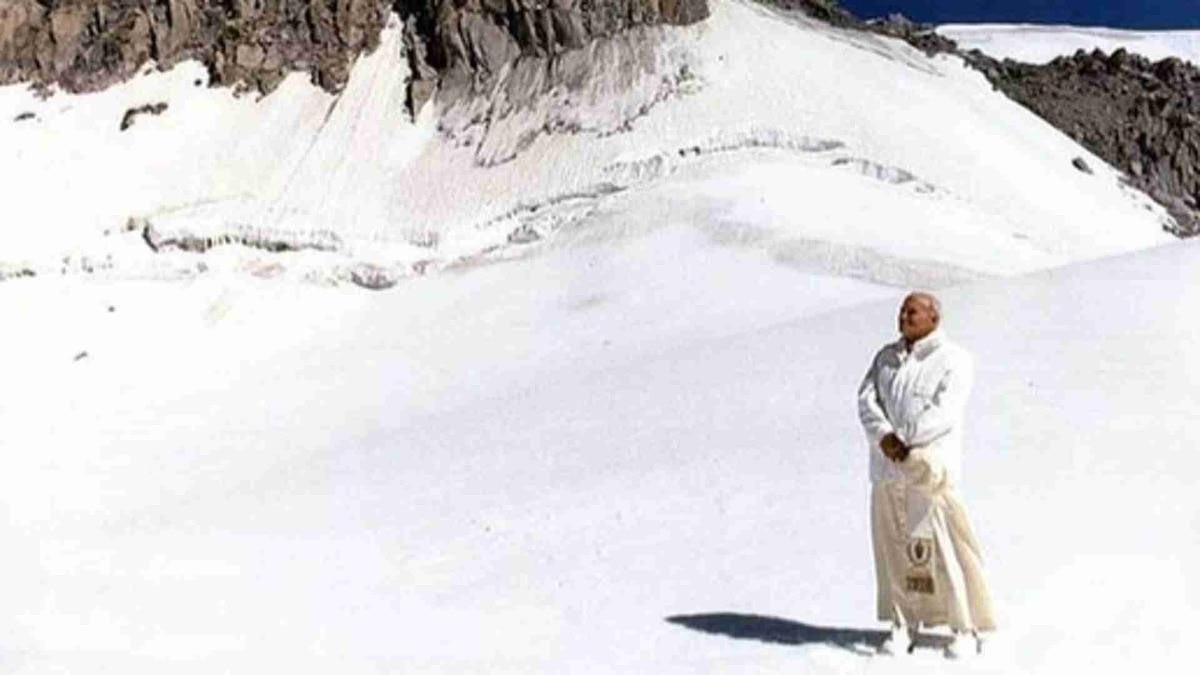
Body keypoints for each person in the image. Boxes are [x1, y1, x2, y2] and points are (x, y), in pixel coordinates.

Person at [856, 292, 996, 659]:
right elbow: (867, 400)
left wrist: (903, 439)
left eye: (913, 311)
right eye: (902, 310)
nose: (904, 316)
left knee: (943, 551)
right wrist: (884, 437)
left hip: (929, 472)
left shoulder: (953, 359)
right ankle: (903, 623)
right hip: (887, 471)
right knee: (894, 553)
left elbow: (944, 411)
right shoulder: (885, 358)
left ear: (934, 317)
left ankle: (963, 627)